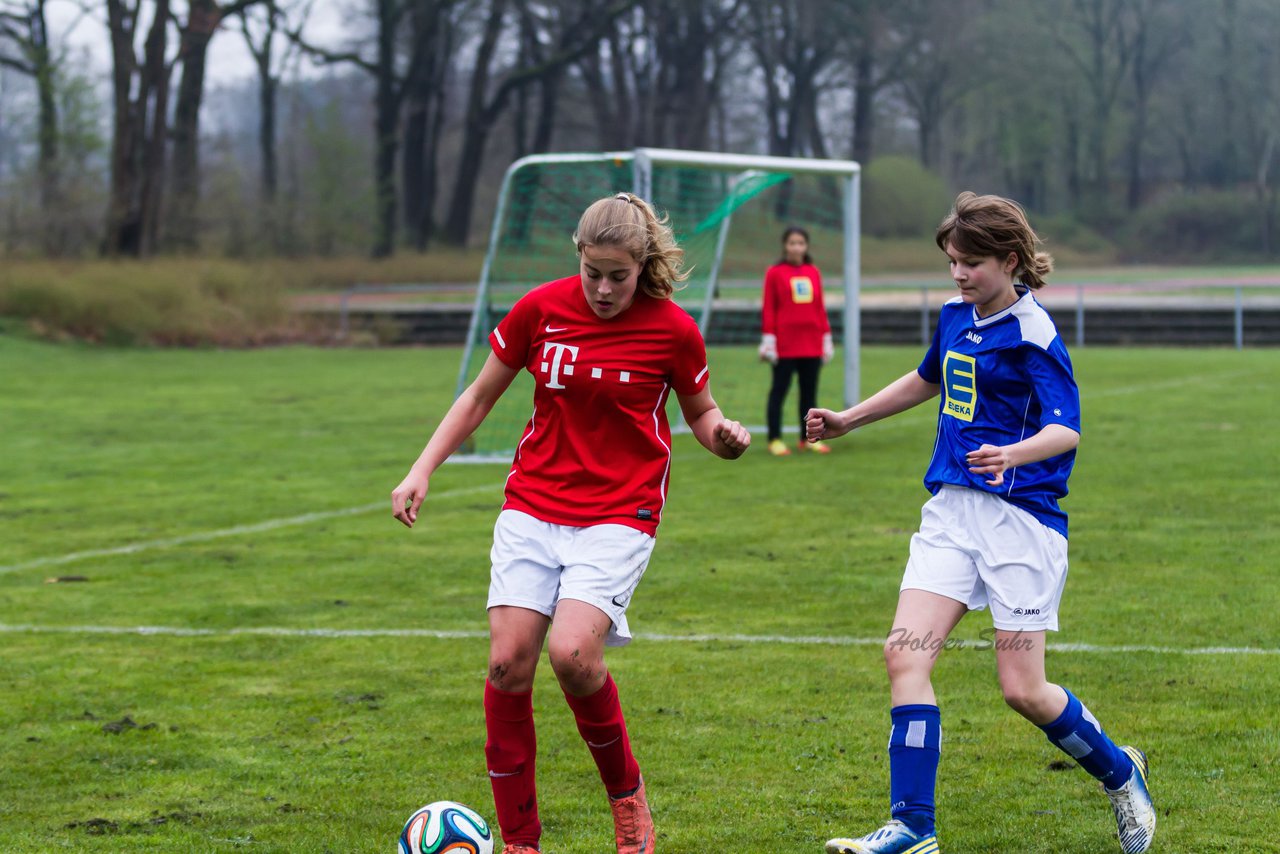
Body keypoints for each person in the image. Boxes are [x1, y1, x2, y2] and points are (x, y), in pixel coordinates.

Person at [391, 192, 750, 854]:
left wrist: (721, 435)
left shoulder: (672, 330)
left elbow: (701, 414)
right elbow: (477, 398)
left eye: (619, 275)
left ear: (642, 265)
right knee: (507, 665)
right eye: (594, 274)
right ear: (578, 259)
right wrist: (421, 469)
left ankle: (628, 802)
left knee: (574, 655)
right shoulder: (540, 310)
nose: (605, 288)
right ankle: (522, 842)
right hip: (533, 504)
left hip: (620, 511)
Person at [806, 192, 1155, 854]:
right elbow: (925, 379)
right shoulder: (953, 317)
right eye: (952, 264)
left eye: (970, 264)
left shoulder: (1034, 332)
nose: (959, 276)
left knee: (1023, 690)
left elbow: (1066, 429)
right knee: (903, 653)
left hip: (1021, 523)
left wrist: (1013, 453)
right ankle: (913, 828)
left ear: (1011, 261)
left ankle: (1120, 771)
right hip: (952, 513)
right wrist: (849, 418)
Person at [758, 225, 835, 456]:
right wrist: (769, 340)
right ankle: (775, 439)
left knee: (810, 396)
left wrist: (826, 337)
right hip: (784, 346)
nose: (796, 247)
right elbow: (769, 308)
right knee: (779, 392)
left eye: (801, 243)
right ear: (785, 245)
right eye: (792, 243)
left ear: (806, 246)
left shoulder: (813, 272)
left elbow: (819, 308)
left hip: (811, 344)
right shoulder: (774, 272)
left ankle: (809, 438)